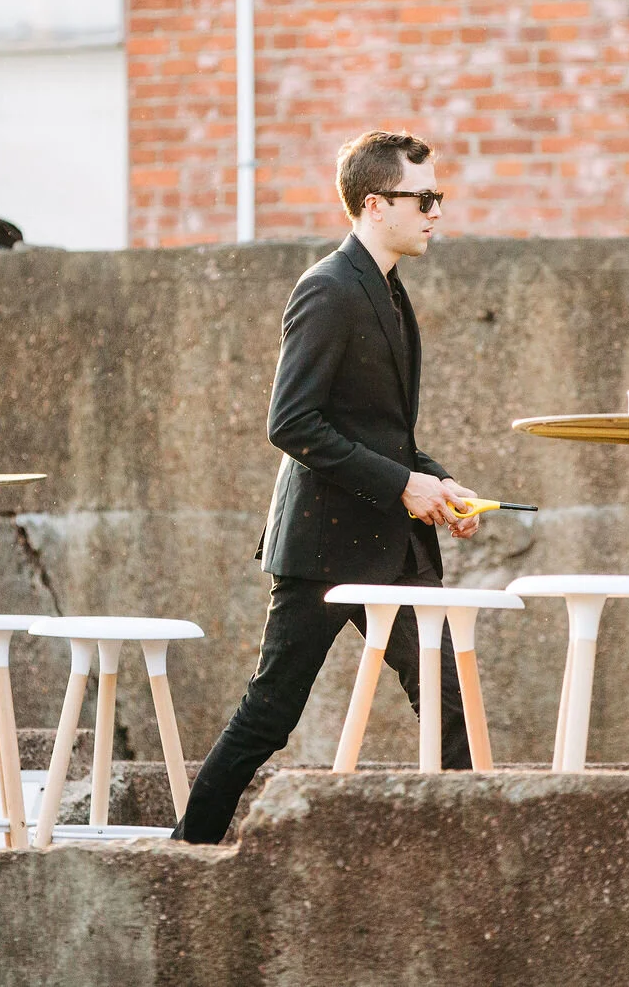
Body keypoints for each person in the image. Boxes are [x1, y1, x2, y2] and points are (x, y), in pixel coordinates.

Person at [175, 129, 481, 842]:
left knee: (448, 701)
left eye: (439, 197)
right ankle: (185, 854)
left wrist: (436, 482)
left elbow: (378, 430)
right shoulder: (327, 288)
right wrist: (404, 484)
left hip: (390, 546)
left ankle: (473, 859)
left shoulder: (390, 292)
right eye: (424, 197)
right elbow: (293, 422)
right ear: (376, 204)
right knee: (270, 716)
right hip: (325, 548)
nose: (437, 211)